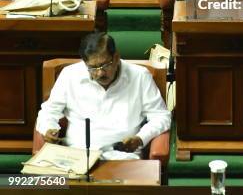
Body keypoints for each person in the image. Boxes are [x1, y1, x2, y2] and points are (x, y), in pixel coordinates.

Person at [36, 32, 171, 159]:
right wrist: (48, 128)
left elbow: (161, 116)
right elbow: (48, 112)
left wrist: (141, 138)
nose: (100, 73)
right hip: (76, 154)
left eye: (105, 65)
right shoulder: (69, 75)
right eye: (93, 68)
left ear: (116, 57)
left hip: (122, 156)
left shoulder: (140, 76)